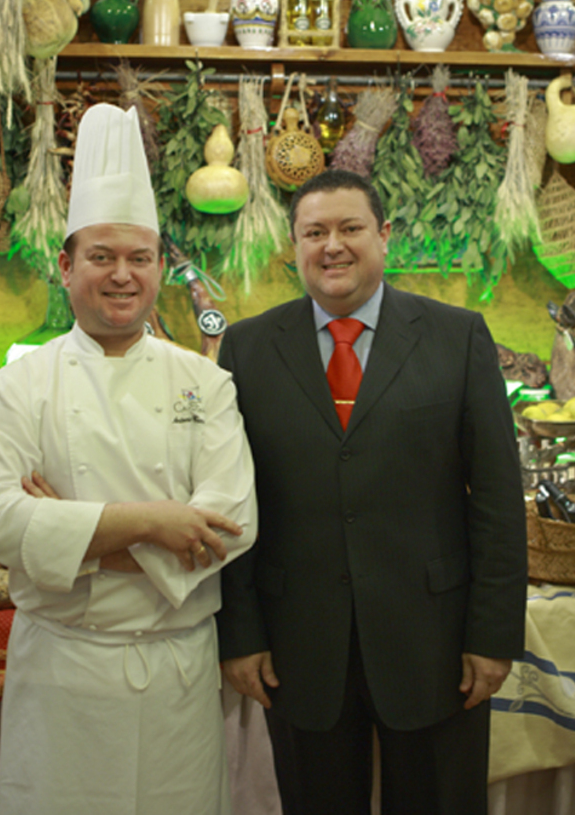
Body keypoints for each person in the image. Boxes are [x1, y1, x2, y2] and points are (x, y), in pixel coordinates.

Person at [0, 104, 258, 815]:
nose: (121, 275)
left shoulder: (207, 382)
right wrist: (156, 522)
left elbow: (231, 524)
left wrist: (73, 534)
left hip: (176, 674)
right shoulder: (19, 384)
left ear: (160, 266)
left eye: (138, 257)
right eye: (101, 257)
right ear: (66, 267)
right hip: (62, 667)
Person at [216, 169, 527, 815]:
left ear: (384, 237)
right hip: (298, 649)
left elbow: (497, 498)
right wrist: (239, 634)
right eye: (314, 232)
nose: (333, 245)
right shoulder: (246, 350)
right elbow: (232, 502)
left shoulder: (457, 336)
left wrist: (494, 635)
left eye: (350, 228)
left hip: (436, 644)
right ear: (294, 245)